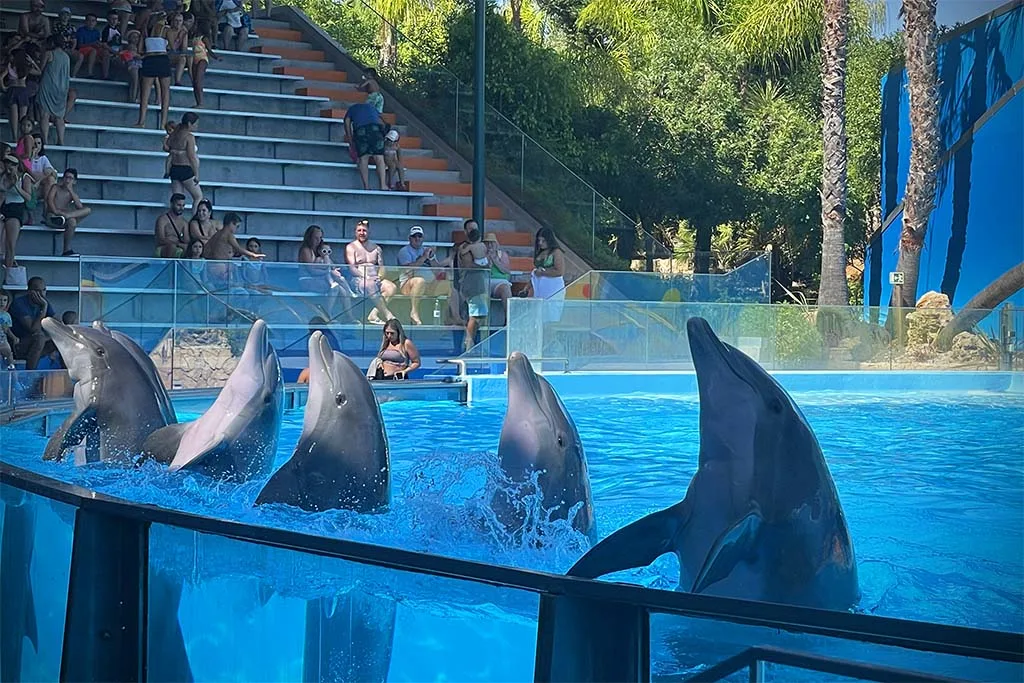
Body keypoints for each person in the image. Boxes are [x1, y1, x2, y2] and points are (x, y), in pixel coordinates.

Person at [345, 219, 395, 324]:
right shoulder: (351, 247)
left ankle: (374, 314)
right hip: (358, 280)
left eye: (364, 230)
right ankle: (388, 314)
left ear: (369, 232)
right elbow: (352, 268)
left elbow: (382, 267)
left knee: (391, 287)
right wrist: (365, 277)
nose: (362, 233)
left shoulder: (376, 248)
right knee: (370, 284)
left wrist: (380, 276)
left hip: (375, 278)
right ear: (355, 232)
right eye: (359, 230)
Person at [10, 277, 56, 370]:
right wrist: (43, 308)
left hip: (37, 344)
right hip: (18, 345)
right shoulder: (19, 303)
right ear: (29, 291)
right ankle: (30, 375)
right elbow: (33, 329)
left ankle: (68, 376)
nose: (42, 294)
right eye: (38, 291)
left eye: (44, 290)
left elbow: (56, 322)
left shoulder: (44, 301)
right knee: (39, 337)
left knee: (63, 336)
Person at [397, 225, 439, 325]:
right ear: (410, 238)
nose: (417, 238)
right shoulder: (404, 251)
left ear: (423, 238)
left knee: (448, 285)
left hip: (430, 285)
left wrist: (432, 258)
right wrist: (424, 257)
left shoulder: (427, 250)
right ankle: (414, 312)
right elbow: (408, 270)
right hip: (408, 285)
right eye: (414, 236)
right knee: (420, 281)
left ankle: (451, 318)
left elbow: (438, 270)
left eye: (419, 236)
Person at [457, 224, 490, 351]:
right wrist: (483, 267)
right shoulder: (465, 248)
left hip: (480, 285)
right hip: (472, 285)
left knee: (480, 317)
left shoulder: (479, 247)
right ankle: (468, 345)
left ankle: (471, 344)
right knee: (474, 316)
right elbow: (468, 265)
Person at [135, 17, 172, 130]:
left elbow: (140, 50)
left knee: (145, 93)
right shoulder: (166, 30)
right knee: (165, 94)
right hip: (162, 59)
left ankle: (142, 121)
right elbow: (172, 46)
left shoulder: (145, 31)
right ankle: (163, 123)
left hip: (150, 59)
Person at [37, 34, 72, 146]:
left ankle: (45, 140)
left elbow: (40, 69)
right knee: (59, 117)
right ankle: (60, 140)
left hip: (48, 85)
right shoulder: (66, 56)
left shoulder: (49, 54)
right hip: (62, 88)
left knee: (44, 115)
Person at [44, 168, 89, 256]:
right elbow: (49, 200)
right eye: (66, 177)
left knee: (85, 212)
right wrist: (56, 211)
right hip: (52, 216)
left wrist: (71, 191)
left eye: (70, 178)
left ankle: (66, 250)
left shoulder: (72, 193)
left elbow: (80, 207)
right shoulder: (55, 187)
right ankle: (65, 216)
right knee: (69, 220)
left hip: (64, 217)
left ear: (74, 181)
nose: (67, 180)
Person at [343, 101, 386, 190]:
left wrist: (350, 141)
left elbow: (347, 123)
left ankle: (366, 186)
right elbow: (382, 120)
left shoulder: (351, 109)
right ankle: (383, 185)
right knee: (379, 158)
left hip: (361, 131)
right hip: (375, 130)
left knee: (363, 158)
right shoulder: (372, 108)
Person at [1, 149, 33, 269]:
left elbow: (28, 197)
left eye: (12, 164)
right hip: (4, 206)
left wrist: (16, 185)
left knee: (11, 243)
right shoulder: (4, 176)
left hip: (16, 208)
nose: (9, 166)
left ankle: (8, 270)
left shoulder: (25, 177)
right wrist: (6, 177)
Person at [527, 226, 566, 323]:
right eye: (539, 240)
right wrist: (527, 287)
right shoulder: (540, 252)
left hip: (553, 288)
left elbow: (559, 271)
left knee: (551, 318)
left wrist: (543, 273)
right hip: (540, 287)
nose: (540, 243)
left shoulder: (556, 252)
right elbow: (535, 274)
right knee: (538, 317)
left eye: (543, 241)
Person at [164, 112, 202, 206]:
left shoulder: (175, 133)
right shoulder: (189, 137)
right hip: (186, 170)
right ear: (189, 124)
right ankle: (195, 219)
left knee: (178, 199)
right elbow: (191, 157)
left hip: (174, 169)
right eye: (195, 124)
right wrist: (197, 174)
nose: (197, 126)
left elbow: (167, 146)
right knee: (198, 197)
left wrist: (176, 151)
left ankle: (176, 218)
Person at [484, 232, 513, 325]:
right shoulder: (481, 254)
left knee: (506, 289)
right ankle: (483, 320)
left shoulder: (502, 255)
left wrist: (495, 260)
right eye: (487, 243)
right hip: (485, 280)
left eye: (492, 243)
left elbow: (507, 271)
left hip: (500, 282)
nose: (490, 245)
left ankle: (508, 319)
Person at [154, 192, 189, 257]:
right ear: (171, 204)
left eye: (183, 205)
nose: (181, 208)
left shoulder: (184, 222)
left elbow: (186, 240)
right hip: (164, 247)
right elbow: (160, 239)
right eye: (178, 205)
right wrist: (175, 243)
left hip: (178, 247)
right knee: (171, 246)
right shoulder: (162, 219)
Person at [71, 13, 103, 79]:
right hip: (82, 50)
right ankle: (89, 73)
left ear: (96, 23)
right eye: (89, 20)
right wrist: (92, 44)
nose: (91, 22)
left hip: (93, 51)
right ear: (85, 22)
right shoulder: (81, 30)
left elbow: (97, 43)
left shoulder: (97, 32)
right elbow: (80, 45)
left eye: (93, 21)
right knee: (93, 51)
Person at [0, 289, 17, 370]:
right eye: (0, 300)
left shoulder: (6, 316)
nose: (2, 302)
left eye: (4, 300)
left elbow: (7, 330)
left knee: (9, 354)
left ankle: (13, 375)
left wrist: (14, 337)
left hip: (3, 340)